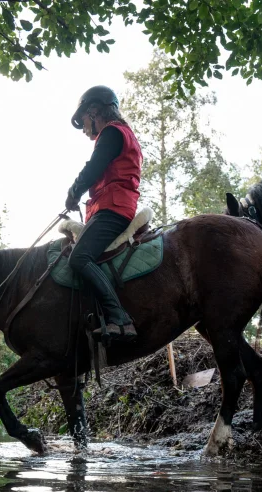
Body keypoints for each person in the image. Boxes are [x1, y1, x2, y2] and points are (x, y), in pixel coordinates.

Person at [66, 86, 143, 341]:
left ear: (94, 110)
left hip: (113, 209)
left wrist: (74, 191)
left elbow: (93, 169)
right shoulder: (123, 134)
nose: (85, 130)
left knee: (78, 258)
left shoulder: (111, 133)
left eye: (84, 122)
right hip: (112, 206)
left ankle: (119, 318)